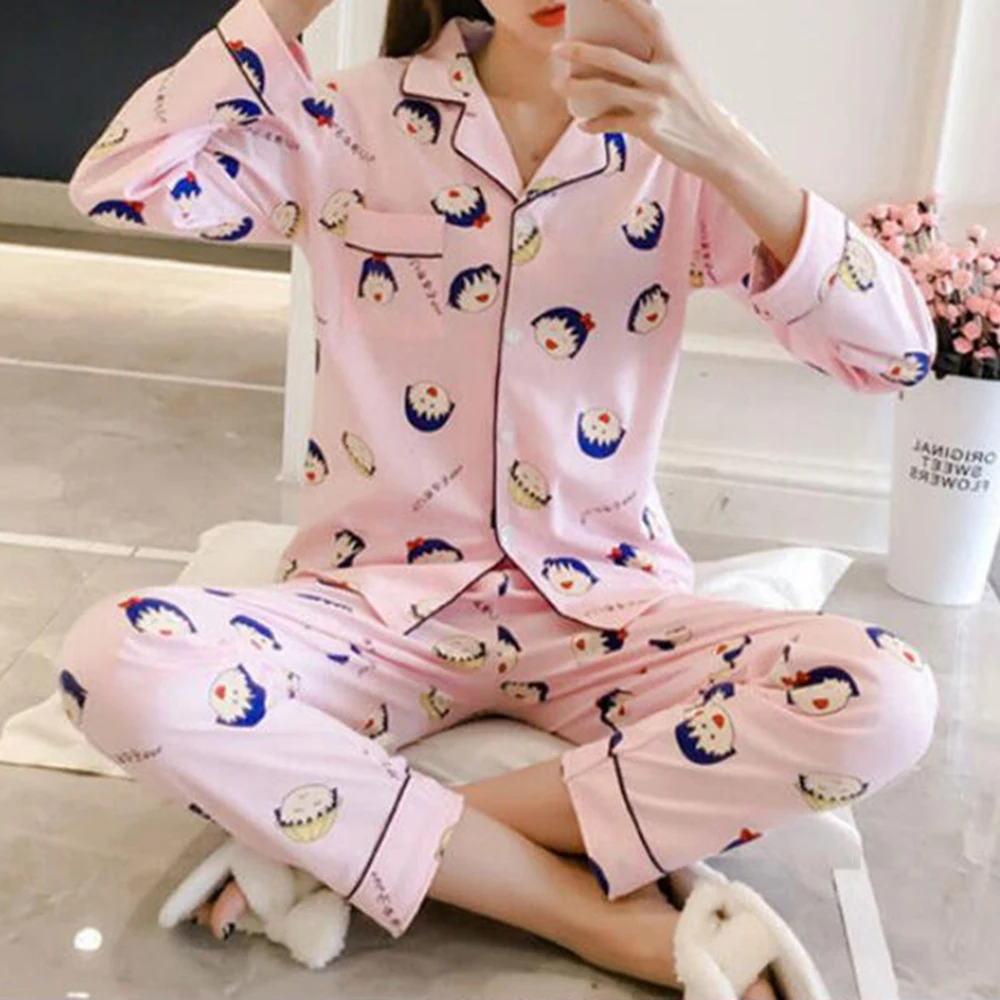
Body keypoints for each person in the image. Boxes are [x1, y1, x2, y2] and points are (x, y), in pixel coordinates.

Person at [60, 0, 939, 995]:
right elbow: (118, 184)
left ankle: (352, 841)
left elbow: (897, 353)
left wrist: (722, 149)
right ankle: (574, 909)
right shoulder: (346, 118)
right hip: (370, 611)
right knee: (115, 663)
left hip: (606, 611)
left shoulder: (675, 147)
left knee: (886, 696)